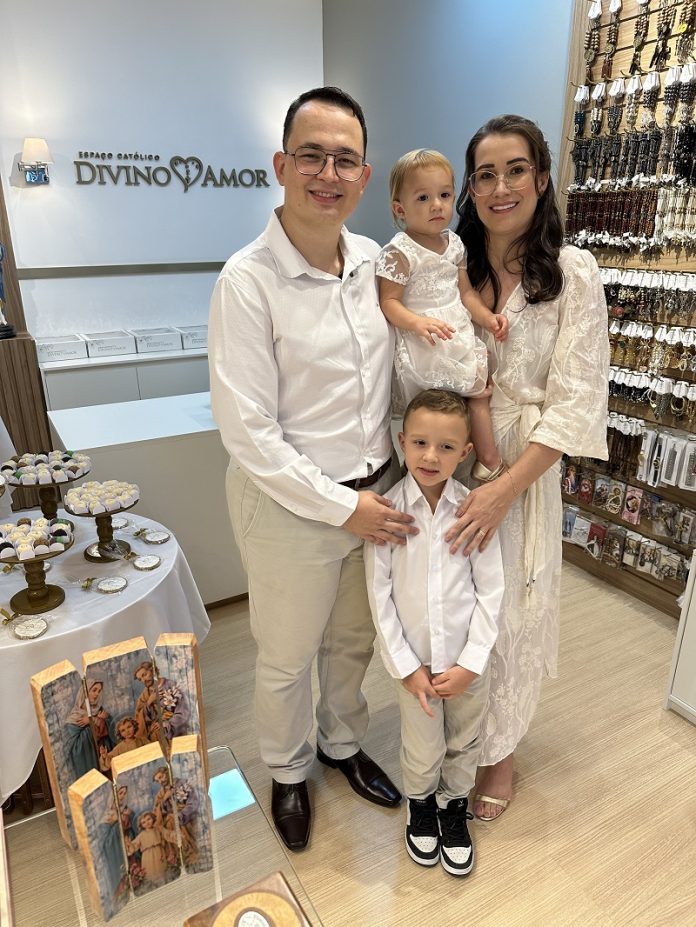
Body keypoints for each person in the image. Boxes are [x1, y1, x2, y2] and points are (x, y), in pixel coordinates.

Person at [208, 86, 415, 851]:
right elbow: (249, 433)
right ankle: (289, 769)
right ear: (281, 165)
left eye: (345, 159)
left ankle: (340, 743)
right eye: (312, 155)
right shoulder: (247, 280)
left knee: (353, 640)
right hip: (289, 506)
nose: (328, 173)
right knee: (288, 654)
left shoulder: (375, 264)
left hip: (377, 496)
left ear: (365, 176)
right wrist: (342, 505)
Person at [447, 115, 608, 820]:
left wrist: (504, 490)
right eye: (485, 174)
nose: (501, 187)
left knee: (509, 609)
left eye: (516, 170)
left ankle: (498, 754)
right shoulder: (451, 264)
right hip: (449, 458)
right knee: (449, 606)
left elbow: (576, 401)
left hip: (523, 467)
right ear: (470, 187)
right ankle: (449, 740)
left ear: (542, 179)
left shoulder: (572, 273)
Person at [365, 389, 503, 875]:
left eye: (445, 447)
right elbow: (379, 596)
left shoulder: (472, 511)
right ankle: (421, 804)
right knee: (421, 745)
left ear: (465, 452)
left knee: (464, 739)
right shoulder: (387, 513)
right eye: (420, 443)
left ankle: (453, 805)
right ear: (402, 441)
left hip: (467, 662)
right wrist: (405, 666)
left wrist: (472, 662)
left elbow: (491, 590)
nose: (430, 456)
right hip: (416, 665)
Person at [376, 149, 508, 477]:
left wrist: (486, 318)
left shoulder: (455, 244)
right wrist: (417, 322)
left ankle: (486, 461)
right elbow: (389, 302)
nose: (437, 205)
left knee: (478, 394)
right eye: (423, 197)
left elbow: (466, 293)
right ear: (400, 209)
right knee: (430, 416)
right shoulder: (400, 251)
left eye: (445, 195)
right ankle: (420, 477)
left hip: (456, 335)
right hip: (425, 343)